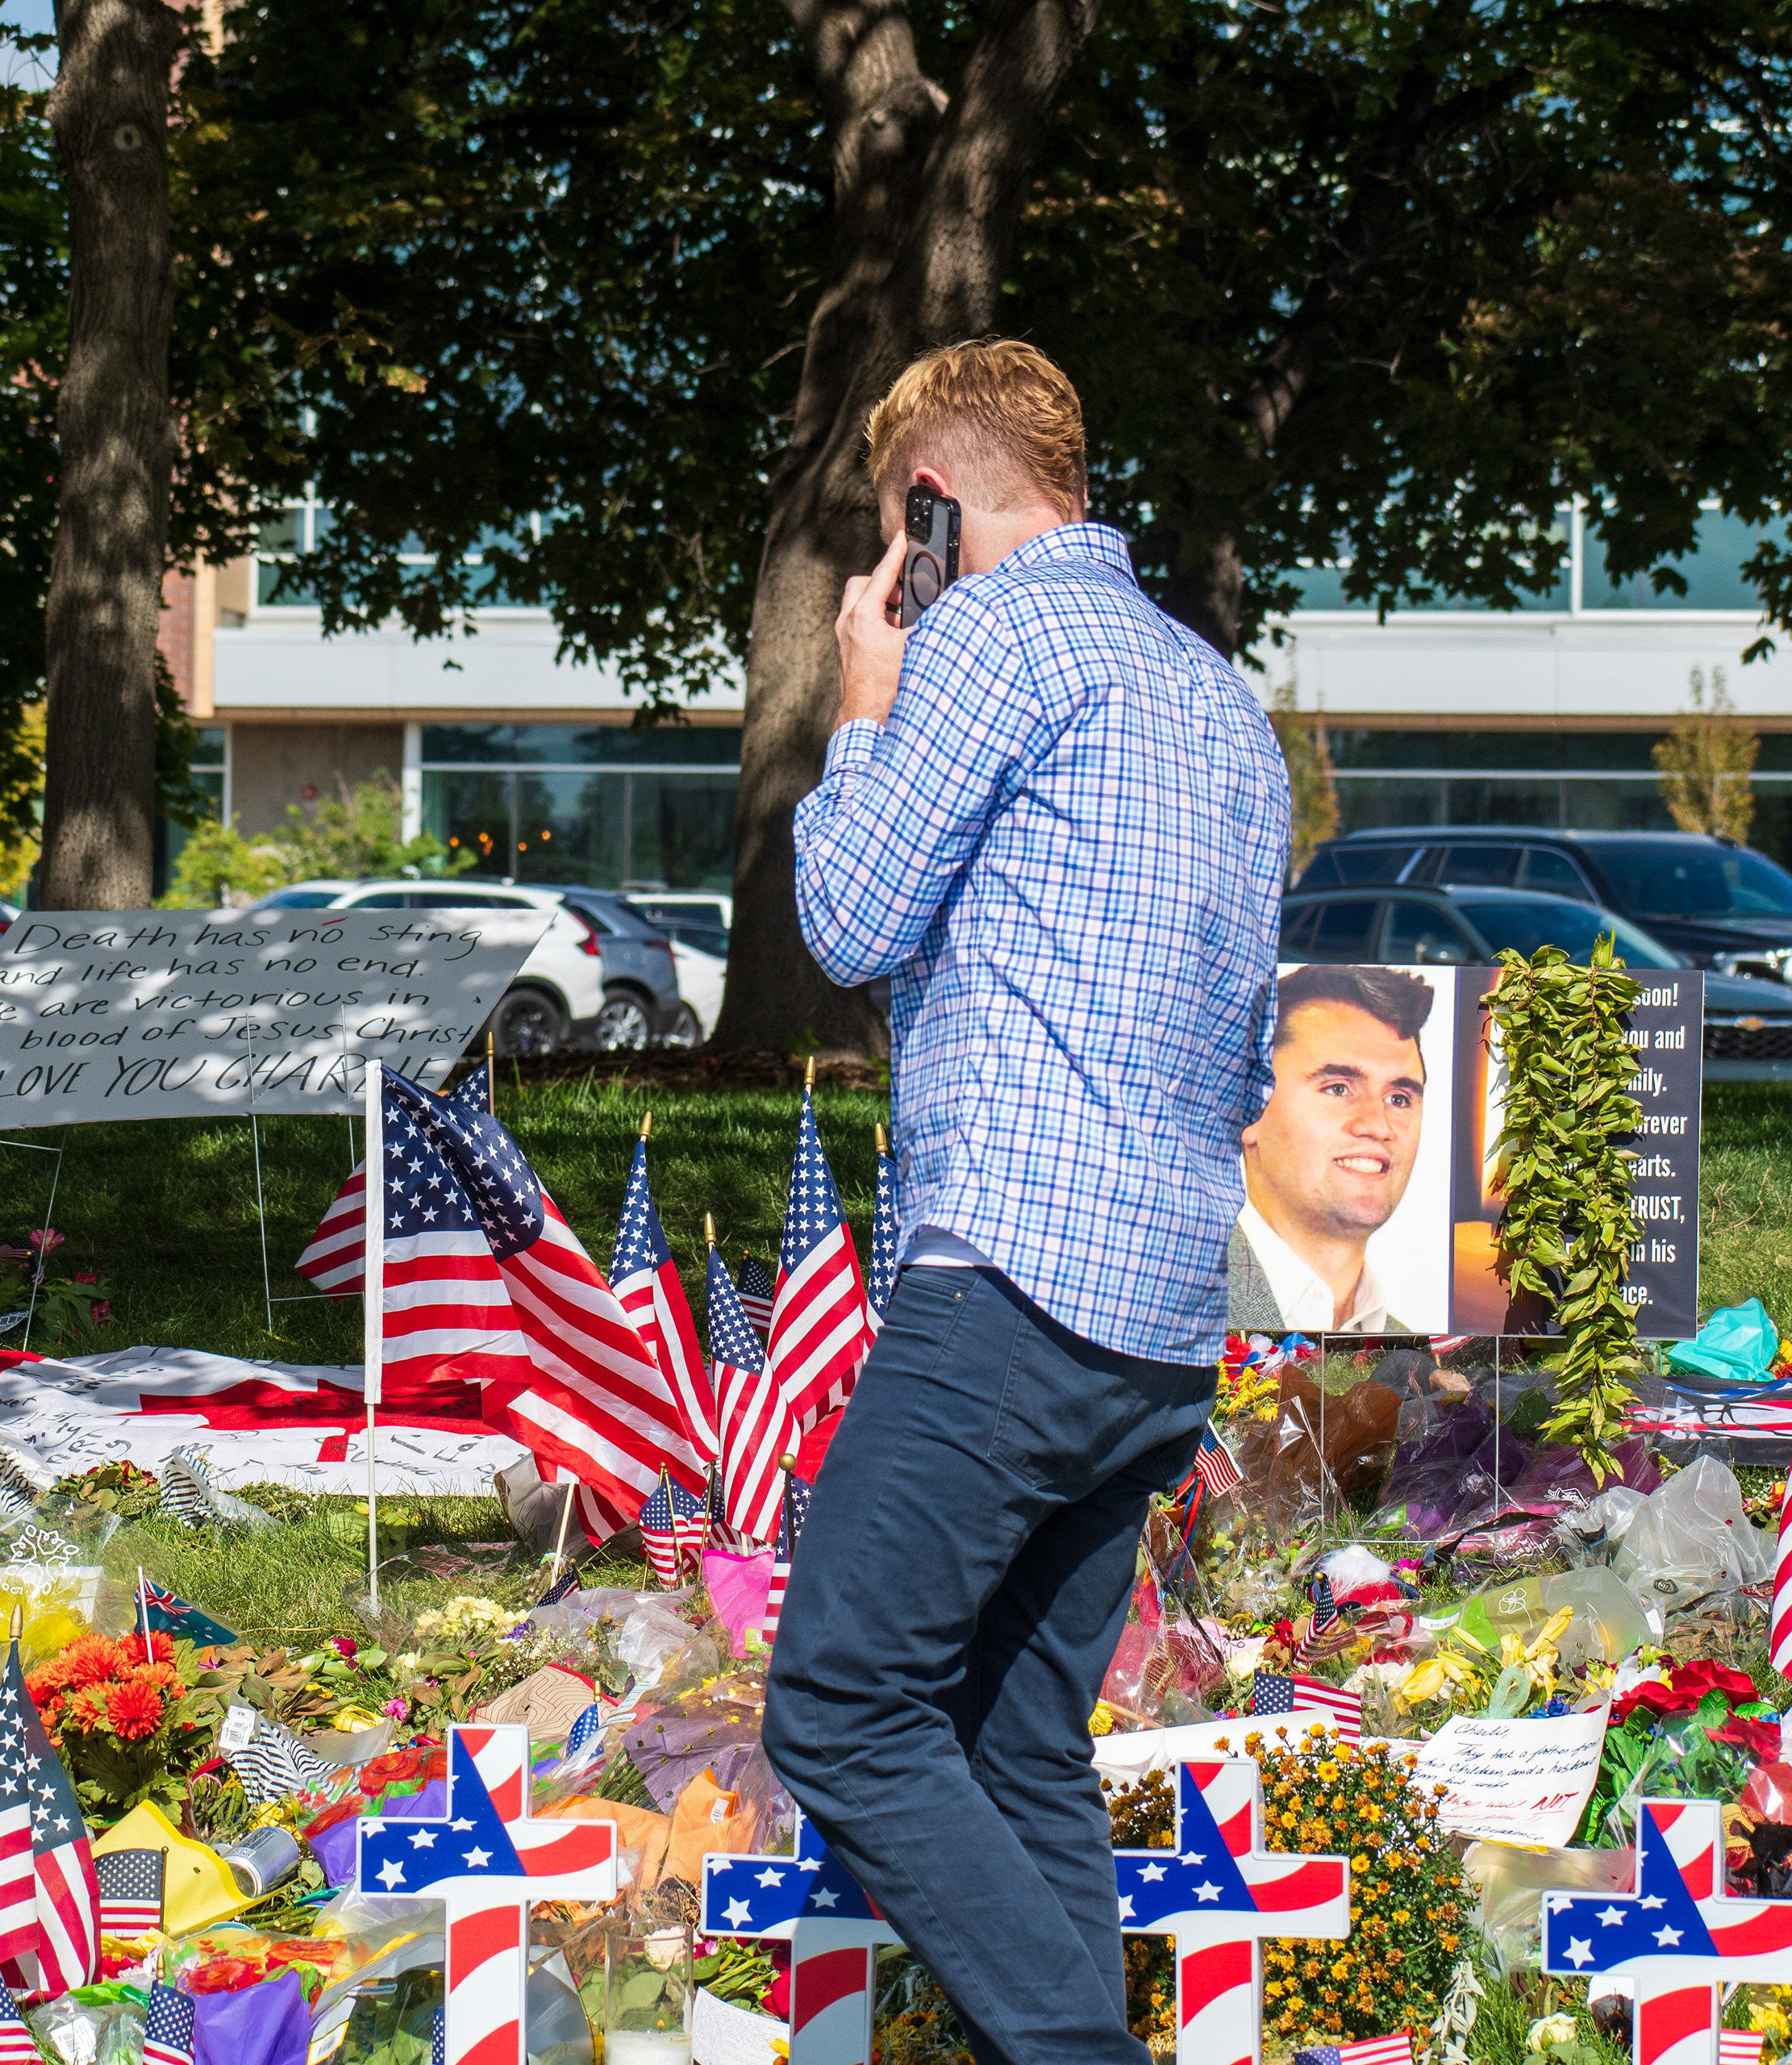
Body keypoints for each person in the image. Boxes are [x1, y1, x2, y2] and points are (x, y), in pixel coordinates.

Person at [762, 339, 1290, 2065]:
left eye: (888, 514)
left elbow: (842, 919)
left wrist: (858, 697)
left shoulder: (988, 636)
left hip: (1010, 1280)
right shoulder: (1215, 690)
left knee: (842, 1701)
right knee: (1010, 1738)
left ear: (927, 499)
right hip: (1157, 1311)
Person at [1227, 962, 1435, 1333]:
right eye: (1338, 1088)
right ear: (1248, 1107)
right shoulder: (1180, 1306)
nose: (1377, 1125)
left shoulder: (1413, 1352)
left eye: (1400, 1098)